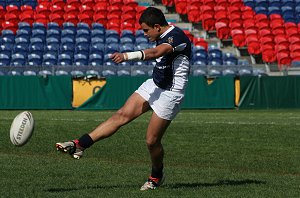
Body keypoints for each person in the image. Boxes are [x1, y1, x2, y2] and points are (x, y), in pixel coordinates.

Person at [56, 6, 192, 191]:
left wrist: (126, 56)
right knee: (121, 115)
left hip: (171, 93)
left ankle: (157, 176)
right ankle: (80, 144)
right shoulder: (162, 33)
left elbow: (155, 53)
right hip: (154, 84)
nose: (144, 34)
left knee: (152, 141)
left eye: (146, 30)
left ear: (158, 27)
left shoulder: (177, 37)